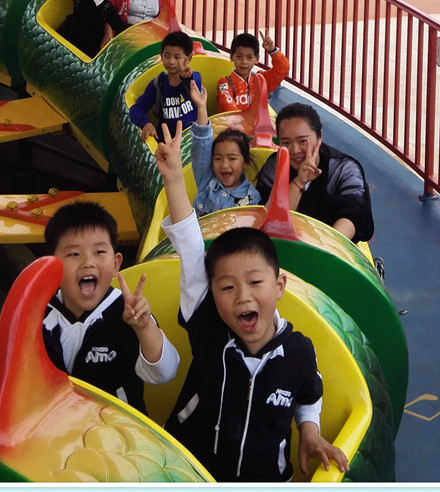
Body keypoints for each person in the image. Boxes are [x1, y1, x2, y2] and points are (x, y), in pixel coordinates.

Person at [153, 119, 349, 482]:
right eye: (227, 287)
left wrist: (310, 433)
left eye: (255, 282)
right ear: (211, 292)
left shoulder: (299, 352)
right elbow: (191, 249)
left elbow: (309, 394)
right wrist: (175, 180)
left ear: (279, 285)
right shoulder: (208, 326)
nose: (242, 296)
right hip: (190, 473)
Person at [42, 200, 179, 412]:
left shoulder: (129, 312)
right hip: (55, 424)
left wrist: (144, 328)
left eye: (99, 252)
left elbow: (165, 373)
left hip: (117, 427)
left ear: (116, 264)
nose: (88, 262)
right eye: (74, 254)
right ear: (51, 265)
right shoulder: (38, 313)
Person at [255, 102, 373, 243]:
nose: (295, 150)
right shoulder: (274, 167)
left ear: (319, 137)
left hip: (336, 245)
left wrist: (327, 247)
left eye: (302, 141)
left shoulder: (344, 168)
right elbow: (273, 221)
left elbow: (352, 214)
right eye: (286, 142)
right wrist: (299, 182)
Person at [185, 80, 261, 215]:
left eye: (232, 158)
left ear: (245, 161)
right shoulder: (207, 180)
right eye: (218, 158)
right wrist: (201, 107)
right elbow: (202, 146)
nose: (224, 165)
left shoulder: (252, 197)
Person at [130, 30, 204, 140]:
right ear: (161, 55)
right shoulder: (157, 84)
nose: (171, 61)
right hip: (165, 142)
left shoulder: (194, 79)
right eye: (167, 56)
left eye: (177, 57)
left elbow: (194, 81)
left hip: (190, 141)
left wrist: (187, 77)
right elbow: (136, 109)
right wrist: (145, 123)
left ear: (188, 59)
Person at [216, 31, 290, 119]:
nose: (244, 62)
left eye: (249, 57)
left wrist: (272, 51)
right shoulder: (225, 83)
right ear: (232, 57)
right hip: (234, 126)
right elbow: (227, 107)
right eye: (239, 56)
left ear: (256, 59)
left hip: (260, 126)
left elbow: (283, 69)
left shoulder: (261, 80)